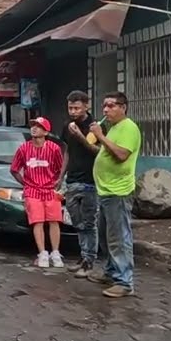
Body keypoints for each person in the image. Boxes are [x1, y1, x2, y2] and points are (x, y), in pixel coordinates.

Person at [88, 91, 142, 298]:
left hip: (118, 191)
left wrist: (100, 136)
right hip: (105, 190)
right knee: (105, 235)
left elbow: (121, 155)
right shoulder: (113, 129)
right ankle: (111, 272)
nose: (106, 110)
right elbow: (105, 153)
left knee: (119, 237)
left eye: (111, 105)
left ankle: (124, 281)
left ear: (123, 107)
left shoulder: (129, 128)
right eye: (104, 105)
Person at [10, 117, 65, 268]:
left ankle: (55, 253)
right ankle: (42, 254)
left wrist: (58, 184)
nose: (34, 128)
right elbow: (14, 169)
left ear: (46, 131)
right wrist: (25, 184)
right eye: (33, 125)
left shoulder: (54, 149)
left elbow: (61, 169)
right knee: (37, 222)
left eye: (39, 126)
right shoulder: (24, 149)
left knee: (54, 221)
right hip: (32, 191)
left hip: (50, 190)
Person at [60, 91, 101, 277]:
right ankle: (84, 254)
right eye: (70, 108)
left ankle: (88, 260)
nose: (73, 112)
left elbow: (97, 152)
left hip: (90, 181)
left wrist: (80, 136)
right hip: (72, 180)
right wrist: (61, 176)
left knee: (89, 222)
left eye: (77, 108)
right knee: (76, 221)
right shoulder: (68, 127)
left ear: (86, 106)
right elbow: (67, 152)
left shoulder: (95, 127)